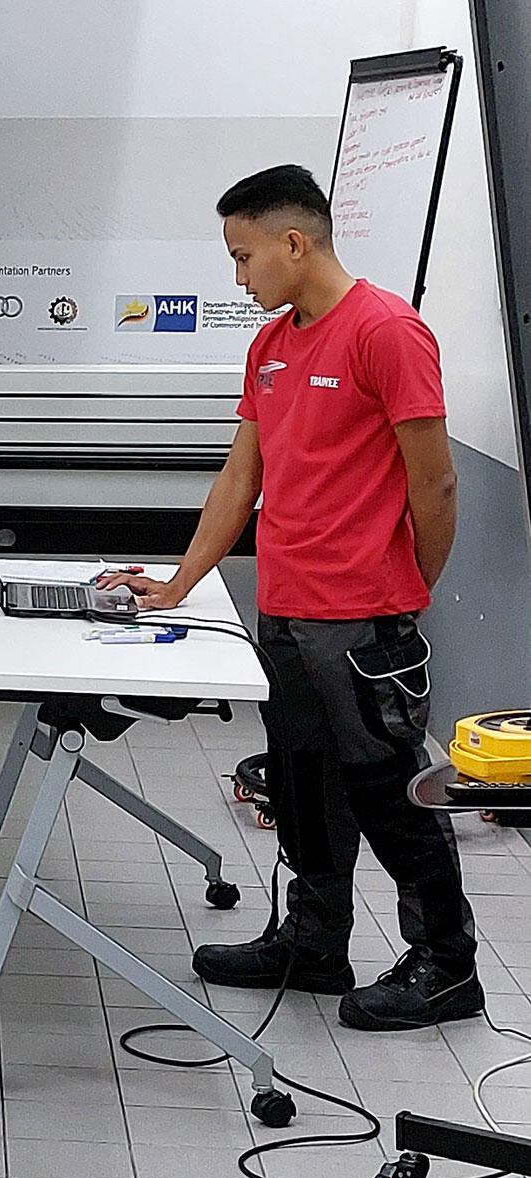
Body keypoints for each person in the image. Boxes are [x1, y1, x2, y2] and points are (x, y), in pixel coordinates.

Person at [108, 164, 479, 1031]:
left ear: (293, 243)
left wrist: (405, 593)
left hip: (362, 620)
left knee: (388, 791)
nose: (238, 278)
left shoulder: (386, 332)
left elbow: (438, 485)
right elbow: (242, 476)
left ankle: (449, 965)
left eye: (243, 257)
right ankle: (314, 943)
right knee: (303, 786)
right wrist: (181, 582)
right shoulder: (271, 346)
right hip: (285, 611)